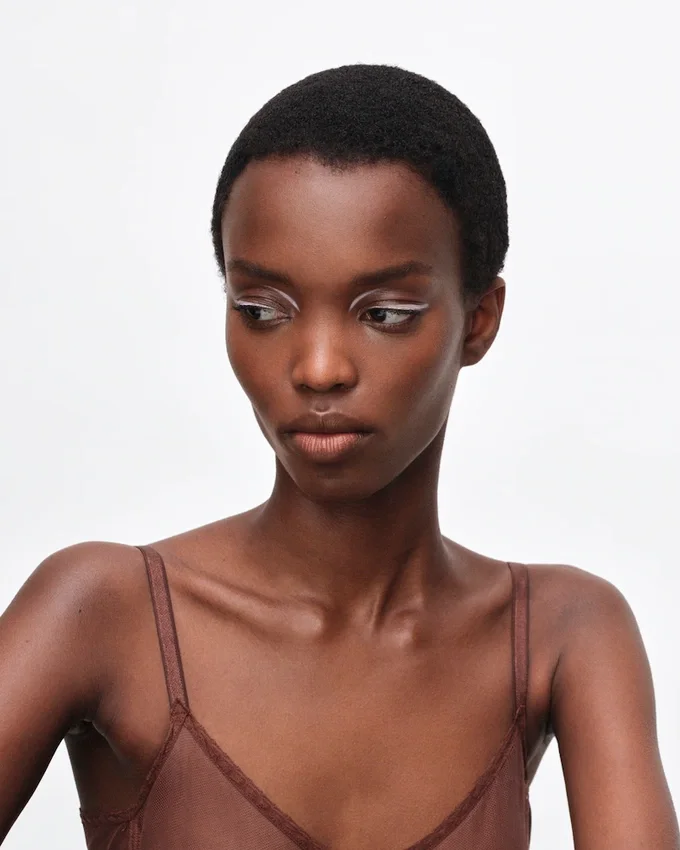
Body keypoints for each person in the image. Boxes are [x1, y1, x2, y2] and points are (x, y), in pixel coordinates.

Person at [0, 63, 677, 850]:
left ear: (479, 320)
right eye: (261, 310)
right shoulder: (103, 615)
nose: (318, 368)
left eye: (383, 313)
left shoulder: (565, 635)